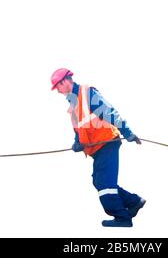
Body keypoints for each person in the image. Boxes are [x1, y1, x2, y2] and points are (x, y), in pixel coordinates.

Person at [50, 68, 146, 227]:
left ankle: (123, 218)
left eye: (57, 87)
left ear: (65, 81)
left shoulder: (87, 94)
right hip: (98, 148)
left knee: (104, 184)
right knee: (98, 181)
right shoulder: (73, 103)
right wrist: (77, 143)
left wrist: (127, 132)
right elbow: (79, 129)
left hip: (107, 142)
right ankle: (134, 202)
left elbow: (109, 112)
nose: (58, 91)